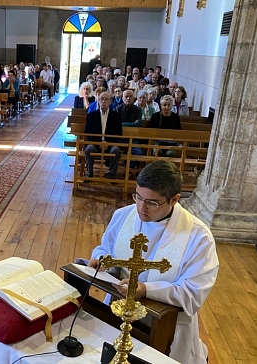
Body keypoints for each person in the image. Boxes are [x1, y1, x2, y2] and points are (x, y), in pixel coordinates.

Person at [87, 160, 219, 364]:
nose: (141, 207)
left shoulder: (198, 237)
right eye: (138, 196)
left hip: (165, 326)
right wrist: (101, 260)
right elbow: (106, 248)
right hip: (118, 309)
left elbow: (192, 293)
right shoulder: (123, 215)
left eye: (152, 202)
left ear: (174, 199)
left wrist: (146, 289)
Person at [84, 92, 122, 179]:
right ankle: (89, 172)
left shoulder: (116, 116)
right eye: (101, 99)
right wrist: (99, 143)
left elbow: (118, 133)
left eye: (106, 99)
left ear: (110, 101)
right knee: (89, 148)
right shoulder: (91, 116)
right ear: (98, 100)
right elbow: (88, 133)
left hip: (110, 144)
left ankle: (112, 174)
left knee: (116, 150)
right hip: (95, 144)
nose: (103, 101)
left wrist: (107, 143)